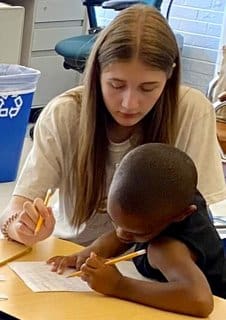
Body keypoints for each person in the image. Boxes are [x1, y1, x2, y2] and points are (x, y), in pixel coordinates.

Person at [1, 5, 226, 246]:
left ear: (170, 75)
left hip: (155, 259)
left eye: (148, 88)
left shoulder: (191, 110)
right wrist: (20, 226)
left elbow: (210, 212)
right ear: (97, 71)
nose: (130, 104)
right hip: (71, 251)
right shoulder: (65, 114)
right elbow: (15, 210)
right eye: (116, 85)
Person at [47, 143, 226, 318]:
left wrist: (118, 285)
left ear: (182, 215)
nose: (120, 233)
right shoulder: (162, 205)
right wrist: (84, 255)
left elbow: (201, 301)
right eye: (115, 221)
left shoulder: (166, 249)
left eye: (136, 233)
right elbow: (123, 235)